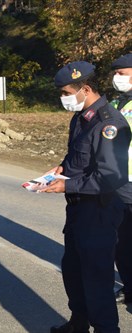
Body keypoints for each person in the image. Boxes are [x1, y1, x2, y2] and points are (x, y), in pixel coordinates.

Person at [42, 61, 130, 333]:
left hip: (99, 211)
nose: (63, 98)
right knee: (73, 271)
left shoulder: (110, 124)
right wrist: (62, 168)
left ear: (86, 89)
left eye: (66, 92)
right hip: (79, 210)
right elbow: (78, 157)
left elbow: (110, 176)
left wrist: (66, 186)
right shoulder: (80, 117)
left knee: (97, 279)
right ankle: (78, 323)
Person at [110, 53, 132, 305]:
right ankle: (128, 285)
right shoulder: (116, 104)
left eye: (122, 74)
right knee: (121, 241)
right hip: (117, 181)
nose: (117, 79)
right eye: (115, 74)